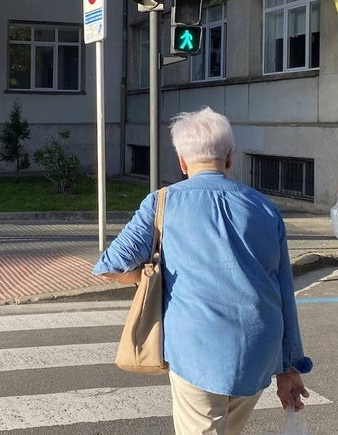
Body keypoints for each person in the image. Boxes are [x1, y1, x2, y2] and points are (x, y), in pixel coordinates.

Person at [92, 107, 312, 434]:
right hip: (258, 351)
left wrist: (148, 277)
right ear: (229, 157)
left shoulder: (162, 202)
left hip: (197, 351)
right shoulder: (265, 208)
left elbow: (110, 265)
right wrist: (289, 368)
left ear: (182, 161)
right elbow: (283, 292)